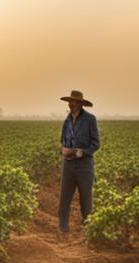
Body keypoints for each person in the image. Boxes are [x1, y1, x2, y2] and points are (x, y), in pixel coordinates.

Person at [58, 89, 101, 233]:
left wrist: (80, 152)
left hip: (85, 164)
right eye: (70, 102)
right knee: (65, 196)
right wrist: (63, 150)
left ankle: (87, 227)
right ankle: (63, 227)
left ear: (80, 104)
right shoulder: (67, 121)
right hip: (68, 163)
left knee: (86, 198)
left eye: (74, 102)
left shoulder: (90, 119)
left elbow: (96, 144)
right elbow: (62, 141)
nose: (71, 104)